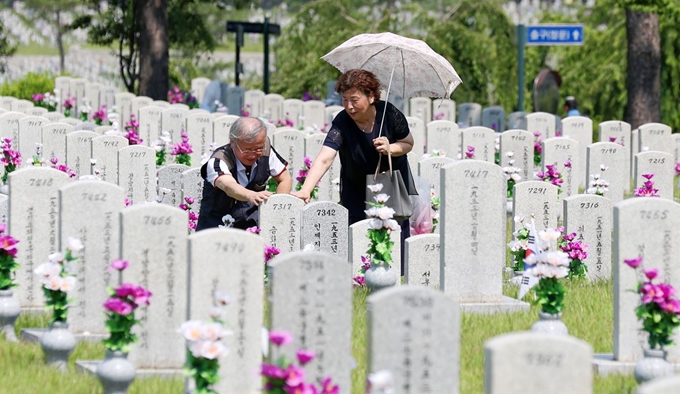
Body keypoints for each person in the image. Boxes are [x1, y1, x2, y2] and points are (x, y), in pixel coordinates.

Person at [292, 69, 416, 262]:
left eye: (355, 100)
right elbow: (325, 157)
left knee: (394, 242)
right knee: (359, 243)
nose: (349, 106)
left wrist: (390, 147)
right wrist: (306, 190)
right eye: (344, 99)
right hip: (356, 186)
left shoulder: (390, 114)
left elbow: (408, 143)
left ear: (372, 96)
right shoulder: (342, 121)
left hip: (389, 186)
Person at [196, 117, 292, 230]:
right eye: (246, 150)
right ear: (232, 143)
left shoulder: (266, 150)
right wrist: (251, 195)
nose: (252, 155)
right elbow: (229, 186)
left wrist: (276, 208)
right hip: (216, 226)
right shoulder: (218, 160)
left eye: (258, 149)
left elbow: (285, 179)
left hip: (252, 225)